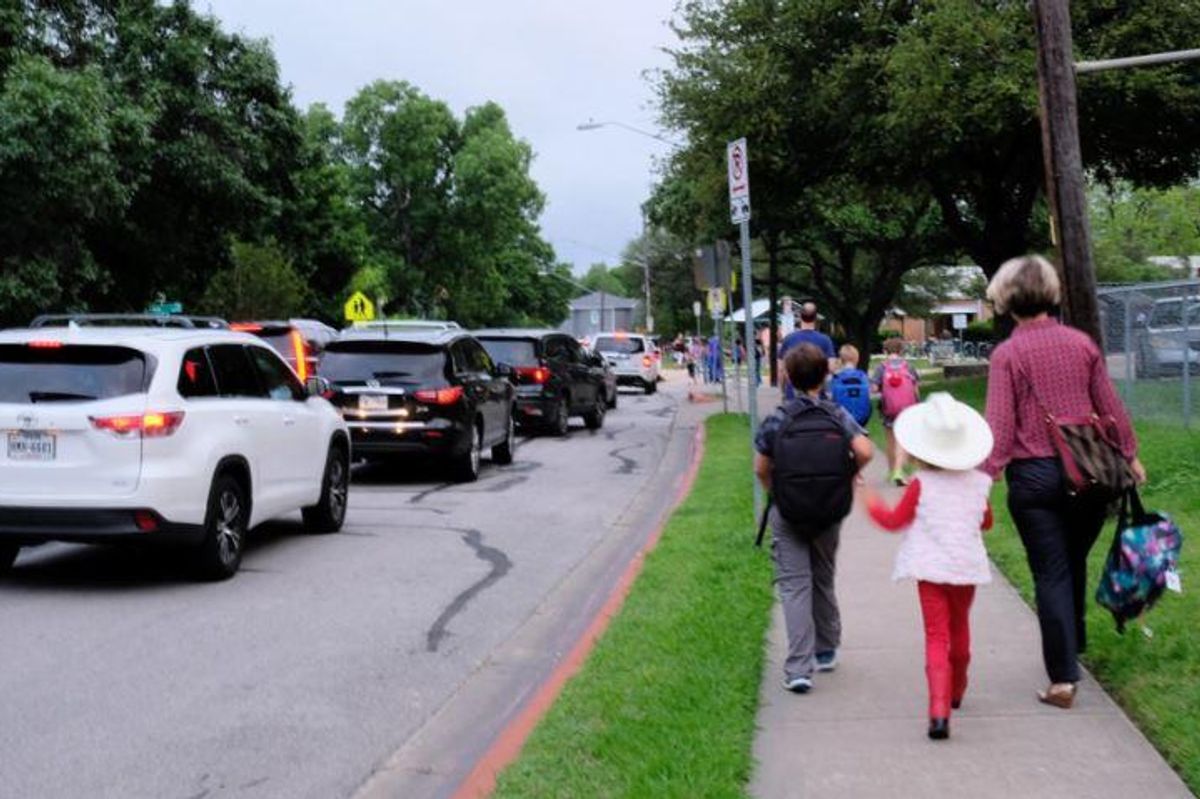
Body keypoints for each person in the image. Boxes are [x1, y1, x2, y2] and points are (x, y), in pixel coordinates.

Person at [982, 255, 1145, 710]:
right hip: (1090, 472)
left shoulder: (1007, 355)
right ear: (1051, 294)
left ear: (1007, 300)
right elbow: (1109, 406)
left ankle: (1062, 679)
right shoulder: (1082, 344)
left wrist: (983, 479)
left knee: (1052, 571)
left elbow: (998, 427)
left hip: (1034, 479)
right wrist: (1129, 456)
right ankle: (1072, 647)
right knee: (1072, 561)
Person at [862, 393, 995, 740]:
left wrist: (870, 502)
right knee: (960, 628)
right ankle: (957, 690)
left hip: (930, 569)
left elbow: (894, 521)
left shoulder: (922, 484)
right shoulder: (980, 484)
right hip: (965, 567)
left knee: (936, 636)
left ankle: (938, 712)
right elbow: (986, 523)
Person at [754, 343, 874, 694]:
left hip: (788, 509)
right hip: (829, 509)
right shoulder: (836, 414)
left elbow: (761, 466)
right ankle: (826, 649)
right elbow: (865, 450)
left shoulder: (778, 417)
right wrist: (847, 473)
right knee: (823, 575)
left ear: (788, 377)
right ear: (825, 376)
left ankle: (798, 668)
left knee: (794, 585)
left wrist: (774, 490)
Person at [872, 337, 920, 485]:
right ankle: (911, 470)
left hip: (889, 411)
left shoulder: (881, 367)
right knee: (907, 440)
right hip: (907, 410)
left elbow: (874, 388)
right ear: (901, 351)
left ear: (885, 351)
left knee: (891, 442)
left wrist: (883, 391)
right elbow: (915, 389)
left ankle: (893, 471)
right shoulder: (909, 366)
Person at [778, 301, 836, 399]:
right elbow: (831, 368)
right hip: (818, 396)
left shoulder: (789, 339)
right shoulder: (825, 340)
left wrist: (783, 390)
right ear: (816, 317)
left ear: (800, 317)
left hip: (793, 395)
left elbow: (781, 369)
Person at [829, 344, 872, 427]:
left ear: (841, 360)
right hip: (861, 420)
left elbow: (830, 399)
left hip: (841, 420)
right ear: (857, 359)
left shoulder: (836, 377)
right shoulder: (863, 376)